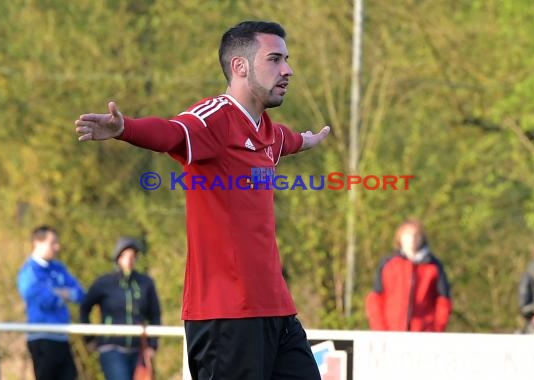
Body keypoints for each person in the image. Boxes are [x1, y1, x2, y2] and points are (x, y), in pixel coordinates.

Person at [75, 20, 329, 380]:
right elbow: (172, 132)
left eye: (287, 59)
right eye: (275, 59)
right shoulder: (214, 118)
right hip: (226, 316)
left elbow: (286, 141)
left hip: (277, 311)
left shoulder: (268, 132)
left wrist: (307, 140)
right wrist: (125, 129)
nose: (287, 69)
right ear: (240, 66)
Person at [80, 236, 161, 380]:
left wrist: (152, 345)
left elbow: (155, 314)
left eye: (132, 256)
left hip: (138, 350)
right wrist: (89, 339)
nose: (129, 260)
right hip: (112, 347)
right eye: (125, 256)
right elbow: (85, 307)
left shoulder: (145, 283)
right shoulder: (104, 283)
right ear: (118, 258)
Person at [17, 226, 85, 380]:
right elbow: (42, 300)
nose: (57, 247)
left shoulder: (59, 268)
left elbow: (80, 293)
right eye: (52, 243)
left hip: (62, 336)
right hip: (42, 337)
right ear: (37, 243)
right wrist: (62, 294)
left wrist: (59, 293)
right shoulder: (29, 272)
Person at [365, 219, 452, 331]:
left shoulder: (433, 266)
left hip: (423, 335)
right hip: (391, 333)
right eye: (407, 235)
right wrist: (380, 330)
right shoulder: (388, 264)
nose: (412, 239)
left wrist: (436, 330)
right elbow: (375, 299)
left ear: (422, 238)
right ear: (400, 238)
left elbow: (443, 301)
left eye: (416, 235)